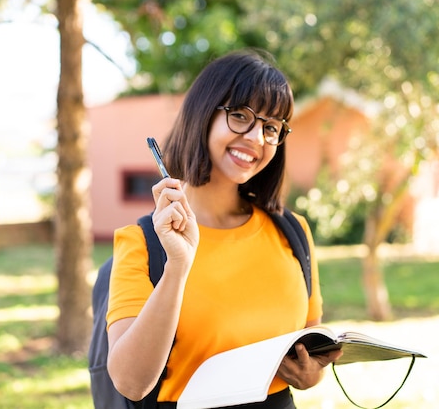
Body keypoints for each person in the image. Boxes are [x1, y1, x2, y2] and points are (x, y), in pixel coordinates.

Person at [106, 49, 342, 408]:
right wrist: (178, 267)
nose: (257, 138)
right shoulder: (142, 242)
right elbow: (131, 383)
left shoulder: (293, 231)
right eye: (241, 116)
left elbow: (308, 343)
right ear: (204, 114)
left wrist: (312, 374)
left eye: (271, 127)